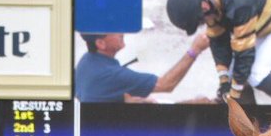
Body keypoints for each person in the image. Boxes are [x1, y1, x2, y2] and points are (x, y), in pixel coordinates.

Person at [74, 31, 210, 102]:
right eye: (114, 31)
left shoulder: (85, 62)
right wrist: (195, 49)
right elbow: (166, 85)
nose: (121, 32)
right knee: (202, 104)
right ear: (101, 44)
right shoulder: (112, 75)